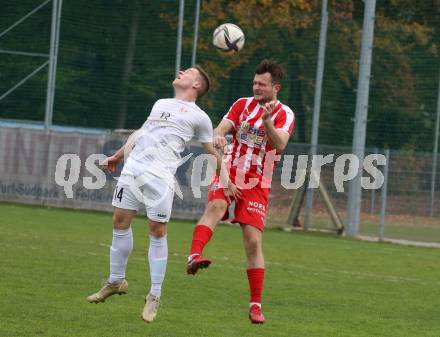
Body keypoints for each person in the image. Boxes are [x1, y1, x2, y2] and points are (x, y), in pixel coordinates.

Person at [86, 65, 239, 323]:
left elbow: (210, 149)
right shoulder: (160, 103)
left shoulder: (199, 116)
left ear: (197, 85)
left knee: (157, 231)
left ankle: (154, 295)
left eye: (188, 72)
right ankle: (115, 280)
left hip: (160, 176)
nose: (181, 72)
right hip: (133, 169)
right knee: (119, 222)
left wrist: (225, 178)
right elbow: (141, 133)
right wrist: (117, 155)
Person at [186, 60, 295, 324]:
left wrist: (267, 121)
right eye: (254, 82)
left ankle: (255, 304)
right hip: (230, 169)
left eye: (262, 83)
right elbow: (218, 131)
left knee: (253, 242)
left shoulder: (284, 113)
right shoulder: (241, 104)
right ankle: (194, 255)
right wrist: (220, 136)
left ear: (275, 87)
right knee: (216, 206)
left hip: (258, 180)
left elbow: (279, 144)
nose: (256, 87)